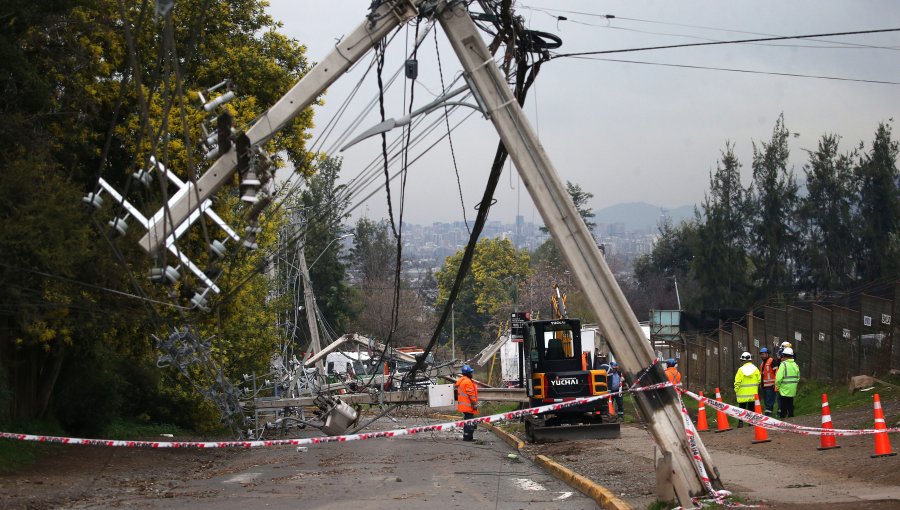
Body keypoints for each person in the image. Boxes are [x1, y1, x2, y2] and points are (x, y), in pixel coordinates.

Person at [734, 351, 761, 428]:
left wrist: (736, 390)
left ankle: (740, 423)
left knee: (742, 408)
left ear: (742, 361)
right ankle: (751, 423)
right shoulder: (755, 369)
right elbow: (759, 380)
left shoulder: (740, 370)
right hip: (753, 394)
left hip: (742, 394)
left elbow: (737, 381)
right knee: (751, 408)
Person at [455, 364, 479, 441]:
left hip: (464, 406)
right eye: (470, 372)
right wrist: (475, 404)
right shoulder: (468, 382)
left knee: (467, 421)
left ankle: (467, 436)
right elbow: (471, 395)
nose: (472, 374)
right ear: (468, 373)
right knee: (469, 422)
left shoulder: (462, 381)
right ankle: (468, 437)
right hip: (468, 406)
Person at [775, 347, 800, 419]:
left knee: (783, 403)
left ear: (785, 356)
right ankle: (791, 416)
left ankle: (783, 417)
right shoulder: (795, 364)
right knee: (790, 402)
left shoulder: (783, 364)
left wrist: (778, 386)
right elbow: (798, 377)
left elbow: (779, 378)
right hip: (793, 388)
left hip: (784, 388)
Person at [758, 347, 776, 416]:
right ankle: (768, 413)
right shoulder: (762, 364)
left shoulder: (772, 361)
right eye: (761, 354)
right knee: (766, 401)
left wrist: (775, 383)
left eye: (764, 354)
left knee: (769, 401)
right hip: (764, 386)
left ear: (767, 354)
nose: (762, 356)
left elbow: (776, 372)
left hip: (771, 385)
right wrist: (760, 384)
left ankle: (768, 414)